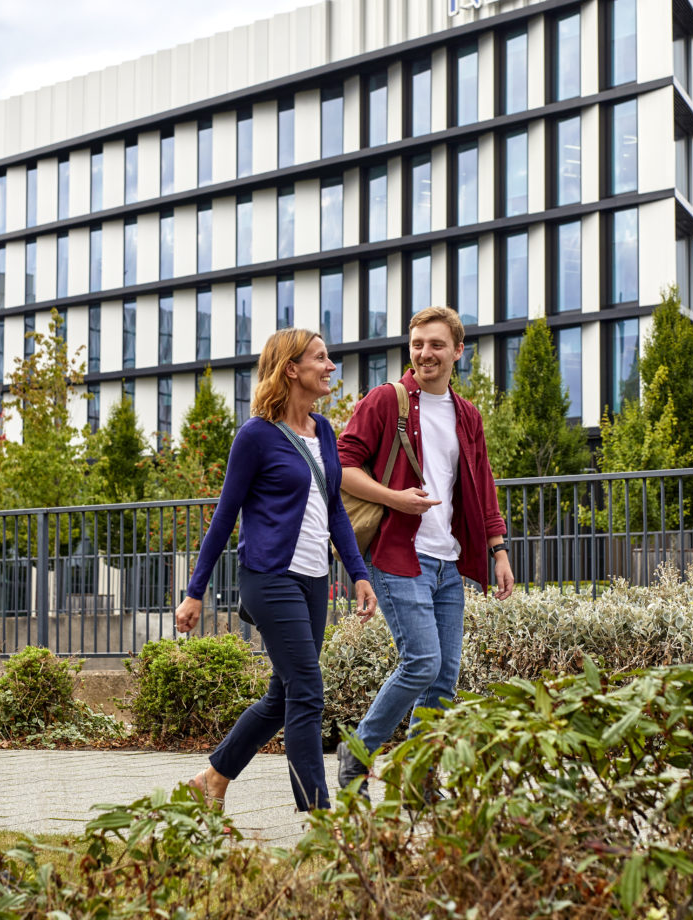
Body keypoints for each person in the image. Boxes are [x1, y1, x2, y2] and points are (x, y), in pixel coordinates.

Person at [174, 328, 377, 811]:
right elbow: (225, 515)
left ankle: (213, 779)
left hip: (313, 581)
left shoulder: (325, 431)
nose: (331, 367)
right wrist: (194, 591)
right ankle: (322, 815)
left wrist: (359, 572)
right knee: (308, 693)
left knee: (282, 698)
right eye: (321, 359)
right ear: (292, 368)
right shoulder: (256, 436)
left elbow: (334, 512)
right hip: (268, 577)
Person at [335, 306, 514, 793]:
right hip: (397, 554)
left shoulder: (466, 414)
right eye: (417, 344)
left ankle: (418, 778)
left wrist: (497, 548)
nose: (424, 353)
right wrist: (395, 499)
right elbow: (342, 467)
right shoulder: (386, 401)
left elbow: (483, 484)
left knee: (444, 677)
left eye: (436, 345)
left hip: (447, 560)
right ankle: (358, 752)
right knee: (421, 661)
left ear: (458, 351)